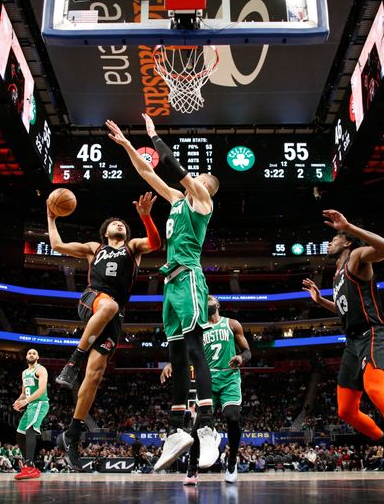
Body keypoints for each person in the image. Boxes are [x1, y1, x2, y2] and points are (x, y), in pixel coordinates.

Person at [107, 114, 221, 472]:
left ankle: (207, 426)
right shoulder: (175, 200)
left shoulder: (202, 200)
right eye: (196, 177)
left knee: (193, 347)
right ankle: (176, 429)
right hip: (170, 283)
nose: (196, 178)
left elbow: (170, 165)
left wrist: (154, 135)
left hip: (189, 277)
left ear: (206, 186)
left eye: (200, 177)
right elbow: (148, 173)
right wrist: (127, 144)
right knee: (175, 354)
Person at [302, 210, 384, 490]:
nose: (329, 243)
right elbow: (343, 309)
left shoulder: (357, 257)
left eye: (335, 238)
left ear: (347, 242)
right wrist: (321, 302)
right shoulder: (337, 275)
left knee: (376, 391)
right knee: (346, 410)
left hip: (373, 333)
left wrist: (350, 226)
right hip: (352, 342)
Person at [50, 193, 161, 471]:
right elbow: (57, 244)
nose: (120, 225)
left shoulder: (133, 248)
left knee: (96, 375)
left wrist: (146, 216)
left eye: (123, 223)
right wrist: (51, 217)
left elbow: (156, 243)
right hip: (93, 299)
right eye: (114, 223)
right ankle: (74, 361)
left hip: (114, 315)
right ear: (105, 231)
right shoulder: (93, 248)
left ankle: (72, 433)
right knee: (108, 306)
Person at [161, 295, 251, 484]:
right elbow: (185, 352)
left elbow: (247, 350)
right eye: (205, 299)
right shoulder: (199, 329)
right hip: (208, 378)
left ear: (217, 304)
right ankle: (192, 469)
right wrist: (171, 363)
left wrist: (241, 358)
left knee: (233, 417)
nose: (207, 300)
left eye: (210, 298)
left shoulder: (232, 324)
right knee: (198, 427)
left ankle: (232, 461)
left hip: (229, 377)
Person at [12, 349, 49, 480]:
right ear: (26, 357)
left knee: (30, 431)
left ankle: (28, 467)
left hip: (40, 403)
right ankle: (31, 465)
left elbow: (42, 389)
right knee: (20, 434)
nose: (31, 355)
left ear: (38, 357)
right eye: (29, 353)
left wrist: (26, 401)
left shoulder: (41, 370)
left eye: (34, 353)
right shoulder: (24, 373)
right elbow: (24, 392)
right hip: (30, 405)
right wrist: (18, 401)